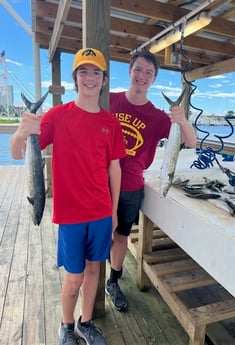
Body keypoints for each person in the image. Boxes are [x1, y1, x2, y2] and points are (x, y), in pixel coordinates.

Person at [10, 48, 126, 345]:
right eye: (83, 72)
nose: (90, 78)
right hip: (71, 215)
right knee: (74, 277)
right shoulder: (56, 116)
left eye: (96, 72)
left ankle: (86, 323)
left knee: (93, 270)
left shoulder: (111, 123)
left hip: (101, 212)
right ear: (75, 78)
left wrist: (113, 212)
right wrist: (21, 133)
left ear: (103, 80)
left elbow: (114, 168)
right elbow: (17, 153)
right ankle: (66, 325)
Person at [105, 50, 196, 311]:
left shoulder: (157, 117)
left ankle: (113, 281)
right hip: (99, 183)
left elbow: (190, 142)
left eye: (149, 73)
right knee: (99, 235)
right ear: (130, 72)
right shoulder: (107, 100)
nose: (142, 76)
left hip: (131, 186)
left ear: (153, 79)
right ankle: (91, 279)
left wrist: (182, 119)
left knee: (121, 236)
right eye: (138, 70)